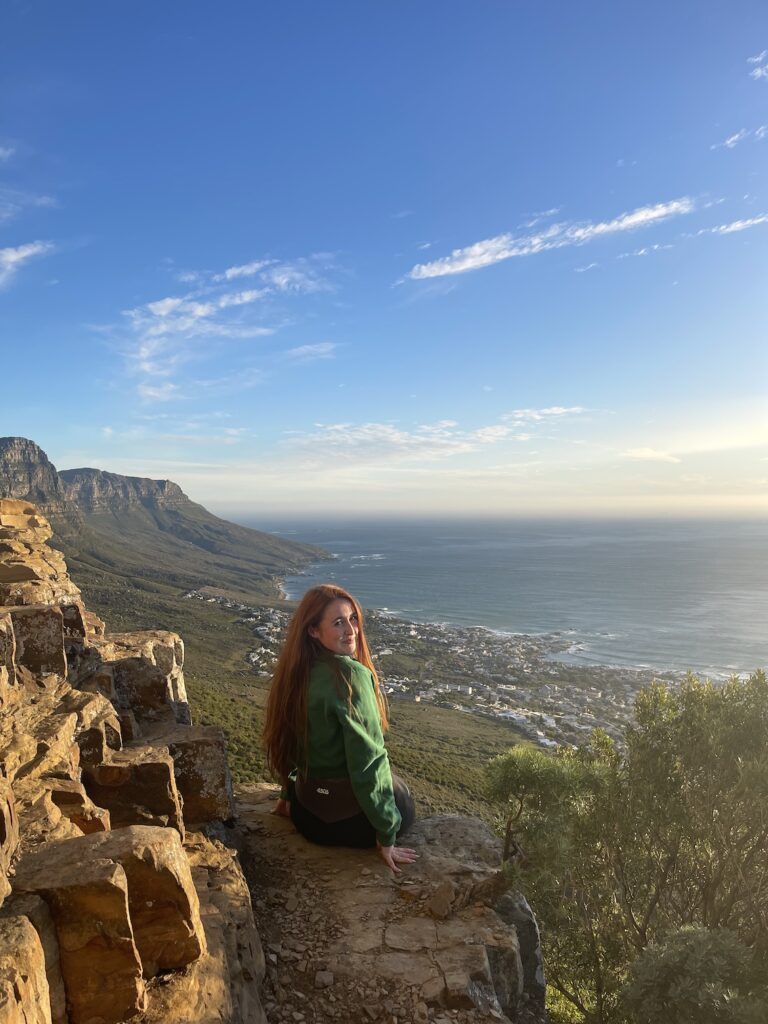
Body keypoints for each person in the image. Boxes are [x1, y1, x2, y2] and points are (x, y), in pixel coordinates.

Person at [263, 583, 417, 873]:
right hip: (347, 826)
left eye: (353, 618)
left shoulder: (294, 674)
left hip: (307, 816)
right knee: (400, 793)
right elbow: (368, 763)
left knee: (389, 781)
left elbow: (289, 745)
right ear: (313, 630)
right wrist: (386, 835)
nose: (351, 630)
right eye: (338, 622)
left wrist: (287, 798)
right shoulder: (350, 677)